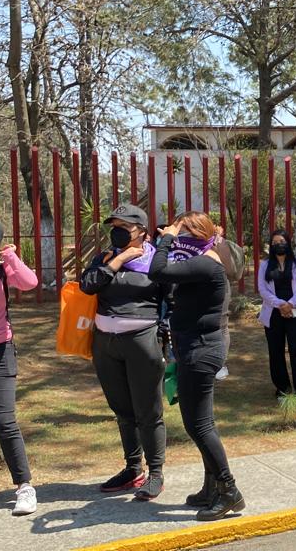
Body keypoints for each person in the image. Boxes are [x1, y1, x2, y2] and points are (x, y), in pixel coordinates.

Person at [148, 211, 245, 521]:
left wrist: (166, 238)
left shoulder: (206, 262)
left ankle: (229, 491)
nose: (178, 236)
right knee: (202, 423)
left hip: (201, 351)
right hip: (196, 346)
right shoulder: (204, 260)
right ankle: (212, 487)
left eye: (183, 231)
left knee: (198, 425)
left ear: (197, 235)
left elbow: (157, 270)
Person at [79, 205, 167, 500]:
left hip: (142, 340)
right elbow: (88, 285)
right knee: (122, 409)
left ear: (142, 231)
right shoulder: (105, 257)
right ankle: (133, 468)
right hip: (105, 343)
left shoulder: (158, 261)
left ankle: (155, 472)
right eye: (113, 226)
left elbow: (171, 299)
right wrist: (119, 260)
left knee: (148, 410)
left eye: (123, 227)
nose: (116, 232)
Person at [0, 218, 37, 516]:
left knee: (4, 421)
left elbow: (30, 283)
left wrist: (10, 256)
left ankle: (25, 487)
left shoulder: (0, 267)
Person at [257, 230, 296, 402]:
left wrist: (290, 304)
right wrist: (280, 304)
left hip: (295, 311)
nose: (278, 244)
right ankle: (283, 389)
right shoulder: (265, 265)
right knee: (276, 351)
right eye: (274, 242)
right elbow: (262, 289)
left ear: (288, 243)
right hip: (273, 313)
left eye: (281, 241)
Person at [212, 225, 245, 381]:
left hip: (219, 289)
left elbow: (231, 271)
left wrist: (218, 244)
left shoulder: (220, 243)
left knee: (222, 326)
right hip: (197, 291)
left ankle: (220, 364)